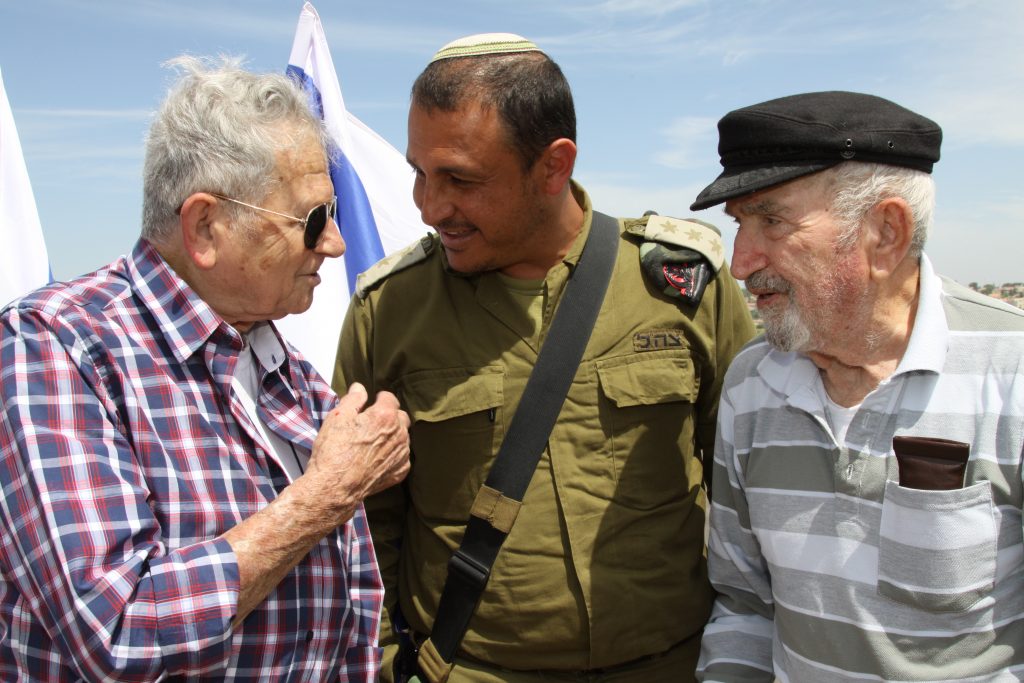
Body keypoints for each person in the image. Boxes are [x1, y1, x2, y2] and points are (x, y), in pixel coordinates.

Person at [332, 33, 755, 682]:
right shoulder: (389, 309)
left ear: (554, 166)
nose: (429, 206)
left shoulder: (682, 288)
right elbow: (363, 526)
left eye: (460, 180)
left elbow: (748, 492)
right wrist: (393, 667)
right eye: (420, 172)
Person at [0, 56, 411, 681]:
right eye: (313, 220)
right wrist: (328, 493)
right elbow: (118, 629)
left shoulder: (285, 367)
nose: (336, 244)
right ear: (205, 226)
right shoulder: (56, 346)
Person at [691, 91, 1024, 682]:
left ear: (885, 232)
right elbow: (745, 607)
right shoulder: (751, 383)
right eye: (740, 224)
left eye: (771, 219)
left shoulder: (1012, 371)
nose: (740, 263)